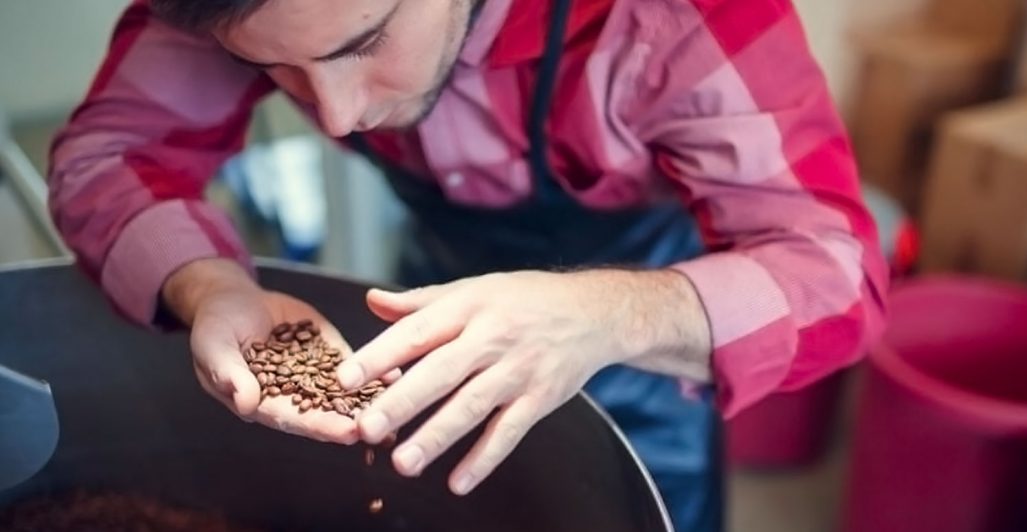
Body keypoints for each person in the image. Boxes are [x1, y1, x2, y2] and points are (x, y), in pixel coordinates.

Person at [47, 0, 888, 530]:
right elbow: (105, 153)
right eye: (275, 71)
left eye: (365, 40)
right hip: (438, 272)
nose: (337, 119)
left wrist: (607, 317)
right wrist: (210, 285)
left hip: (649, 327)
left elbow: (836, 272)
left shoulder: (677, 16)